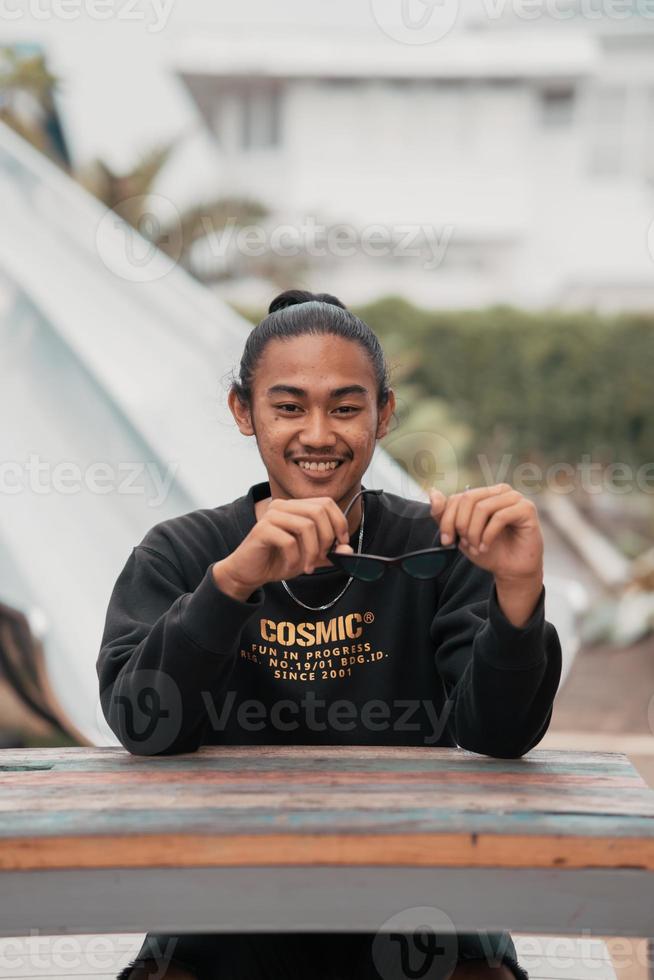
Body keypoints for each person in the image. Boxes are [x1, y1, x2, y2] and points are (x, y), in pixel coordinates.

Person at [98, 289, 562, 980]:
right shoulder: (185, 552)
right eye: (289, 407)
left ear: (384, 413)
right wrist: (229, 586)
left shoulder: (438, 547)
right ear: (242, 412)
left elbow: (500, 733)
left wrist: (519, 592)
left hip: (421, 904)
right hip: (226, 905)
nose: (318, 434)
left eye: (346, 408)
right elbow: (146, 727)